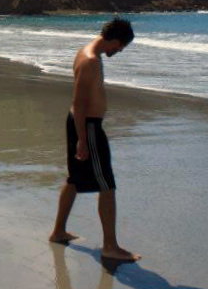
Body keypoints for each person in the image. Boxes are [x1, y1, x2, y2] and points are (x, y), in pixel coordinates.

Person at [48, 17, 141, 262]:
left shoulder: (88, 53)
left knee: (74, 180)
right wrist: (82, 140)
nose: (119, 51)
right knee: (107, 185)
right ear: (112, 39)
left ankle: (58, 232)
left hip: (83, 125)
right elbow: (79, 103)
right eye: (120, 46)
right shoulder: (90, 61)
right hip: (86, 127)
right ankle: (110, 246)